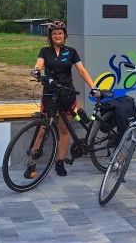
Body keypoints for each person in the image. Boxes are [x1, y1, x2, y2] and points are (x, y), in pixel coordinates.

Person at [30, 21, 97, 177]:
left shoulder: (71, 52)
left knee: (64, 128)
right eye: (54, 33)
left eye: (60, 33)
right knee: (43, 127)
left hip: (67, 93)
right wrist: (36, 70)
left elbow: (81, 70)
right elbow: (39, 64)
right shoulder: (44, 51)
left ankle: (60, 161)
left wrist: (93, 87)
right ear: (50, 36)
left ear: (64, 35)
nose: (57, 36)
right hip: (50, 93)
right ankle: (31, 162)